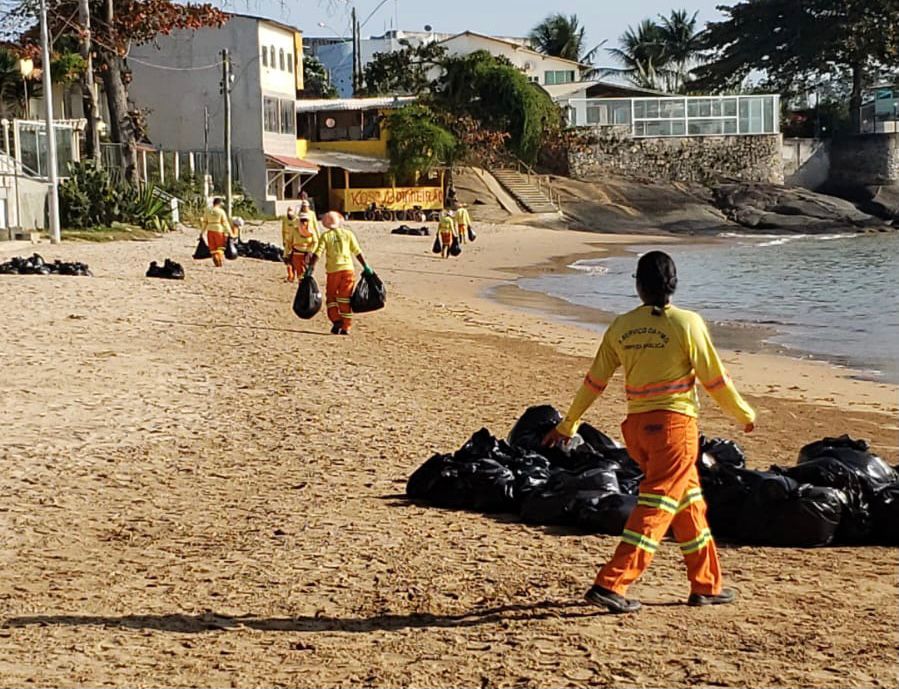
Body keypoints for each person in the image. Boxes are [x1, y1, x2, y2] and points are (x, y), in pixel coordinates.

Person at [543, 251, 756, 614]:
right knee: (656, 505)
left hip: (638, 431)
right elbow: (714, 379)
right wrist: (743, 413)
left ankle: (706, 585)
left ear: (639, 286)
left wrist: (569, 424)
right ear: (673, 284)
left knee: (690, 505)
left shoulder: (621, 327)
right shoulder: (688, 324)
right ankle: (612, 582)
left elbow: (595, 381)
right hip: (674, 429)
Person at [306, 211, 372, 335]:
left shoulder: (325, 236)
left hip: (333, 271)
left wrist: (310, 268)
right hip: (348, 270)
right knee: (345, 299)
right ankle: (346, 326)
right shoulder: (348, 234)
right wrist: (366, 266)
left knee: (331, 297)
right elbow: (357, 252)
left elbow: (317, 253)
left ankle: (336, 320)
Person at [285, 211, 320, 283]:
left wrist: (311, 252)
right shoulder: (294, 230)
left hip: (308, 255)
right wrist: (286, 254)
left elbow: (316, 242)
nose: (304, 222)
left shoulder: (312, 231)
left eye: (306, 220)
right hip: (297, 254)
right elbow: (288, 242)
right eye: (302, 220)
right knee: (300, 275)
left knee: (307, 274)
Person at [201, 197, 231, 268]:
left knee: (213, 247)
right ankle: (219, 260)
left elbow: (205, 222)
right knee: (220, 247)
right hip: (219, 230)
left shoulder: (208, 211)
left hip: (210, 230)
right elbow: (225, 222)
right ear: (219, 203)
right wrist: (229, 231)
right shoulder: (221, 211)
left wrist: (202, 232)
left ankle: (215, 260)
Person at [281, 207, 298, 281]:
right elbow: (283, 231)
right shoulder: (285, 219)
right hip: (287, 241)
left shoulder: (297, 220)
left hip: (295, 242)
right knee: (287, 259)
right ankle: (290, 275)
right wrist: (283, 240)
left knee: (294, 260)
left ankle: (293, 275)